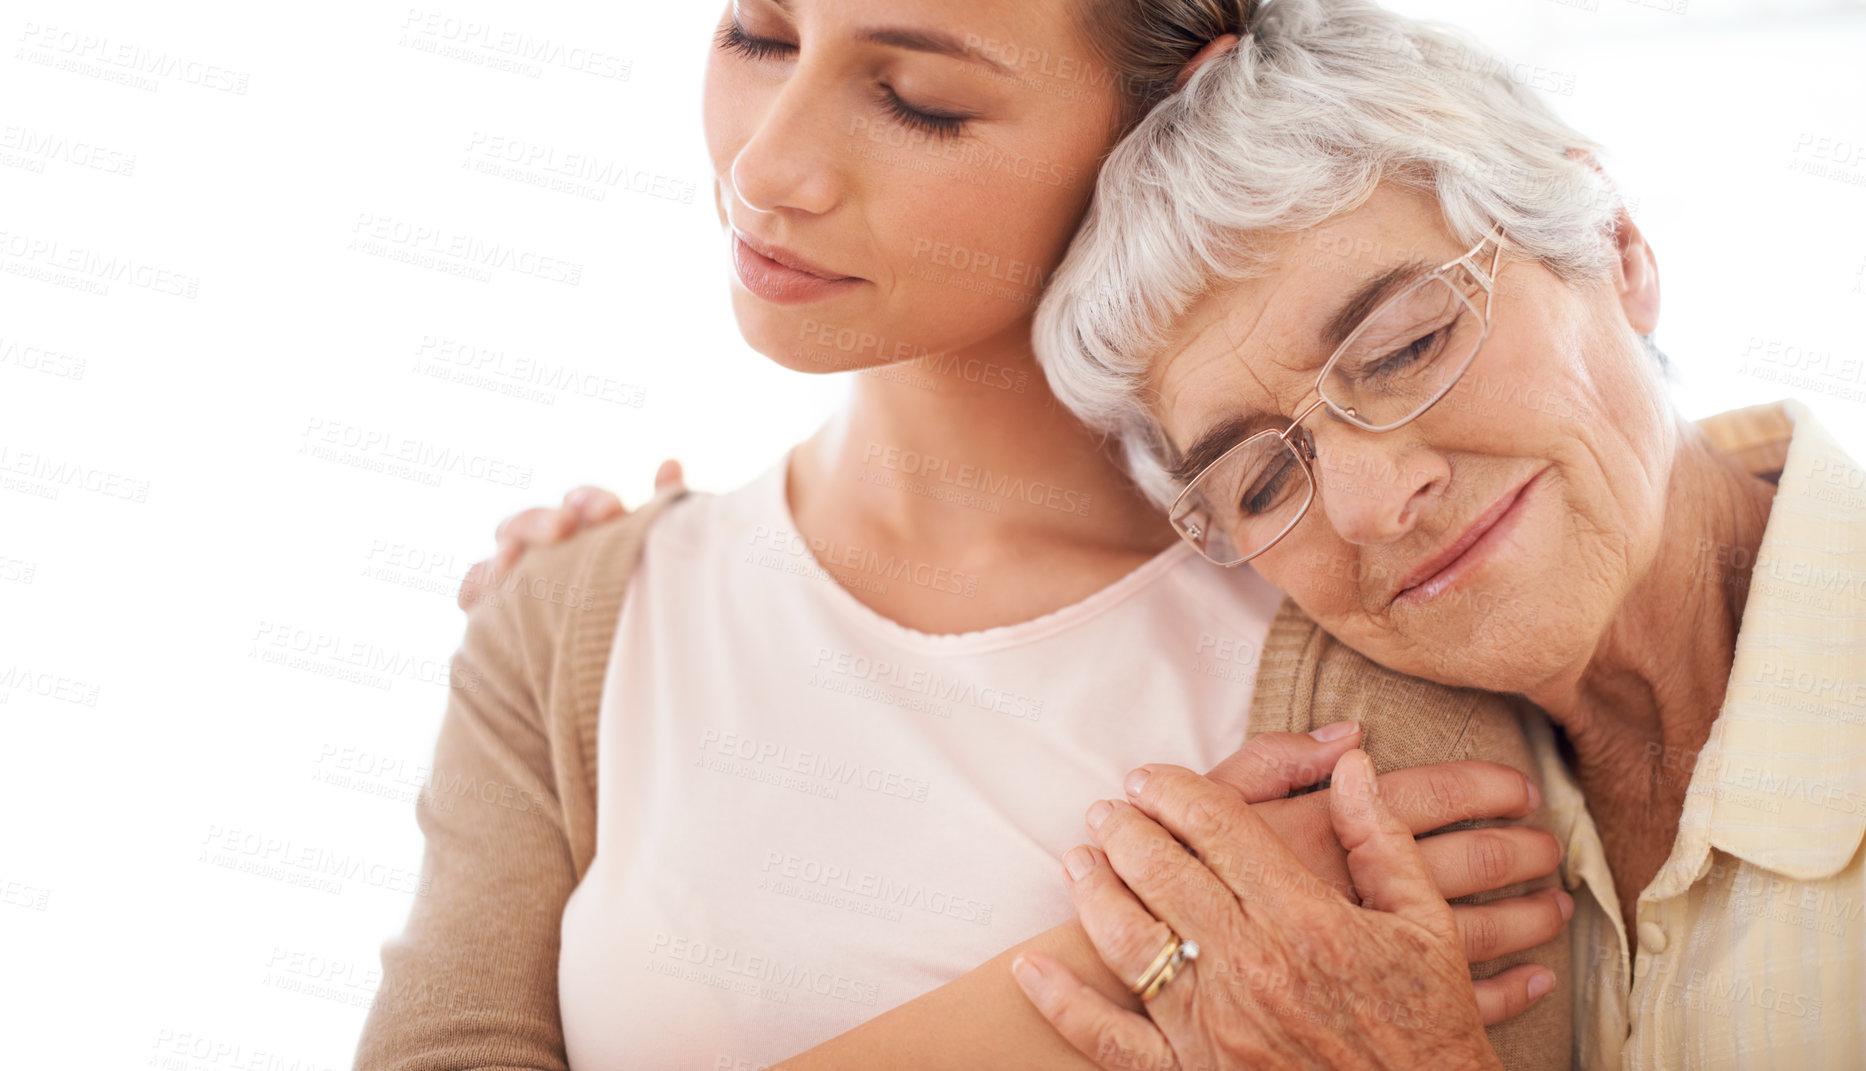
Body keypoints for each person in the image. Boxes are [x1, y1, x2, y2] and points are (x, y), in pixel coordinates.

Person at [352, 1, 1573, 1067]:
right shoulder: (571, 615)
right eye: (758, 34)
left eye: (918, 100)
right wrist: (1140, 959)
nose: (767, 172)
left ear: (1169, 117)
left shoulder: (1375, 638)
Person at [1021, 0, 1866, 1066]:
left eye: (1407, 346)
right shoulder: (1365, 836)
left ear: (1613, 246)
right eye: (1264, 479)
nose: (1371, 505)